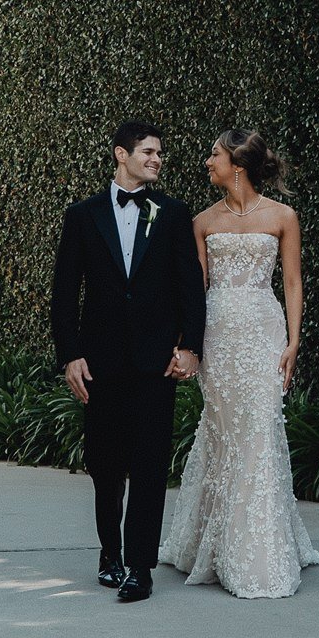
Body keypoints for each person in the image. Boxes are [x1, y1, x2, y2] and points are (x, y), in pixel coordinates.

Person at [161, 128, 319, 598]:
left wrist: (294, 343)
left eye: (213, 154)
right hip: (217, 336)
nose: (206, 162)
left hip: (262, 332)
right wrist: (186, 345)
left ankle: (258, 552)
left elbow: (293, 283)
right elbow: (193, 293)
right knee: (224, 430)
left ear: (237, 163)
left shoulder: (283, 216)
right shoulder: (201, 222)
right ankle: (211, 541)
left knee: (260, 428)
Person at [50, 119, 207, 603]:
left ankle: (140, 567)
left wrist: (190, 347)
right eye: (148, 152)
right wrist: (70, 355)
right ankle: (109, 553)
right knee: (104, 464)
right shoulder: (82, 216)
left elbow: (190, 288)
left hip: (154, 363)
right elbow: (63, 293)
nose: (157, 159)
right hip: (100, 363)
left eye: (160, 153)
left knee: (149, 464)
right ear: (121, 155)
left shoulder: (174, 214)